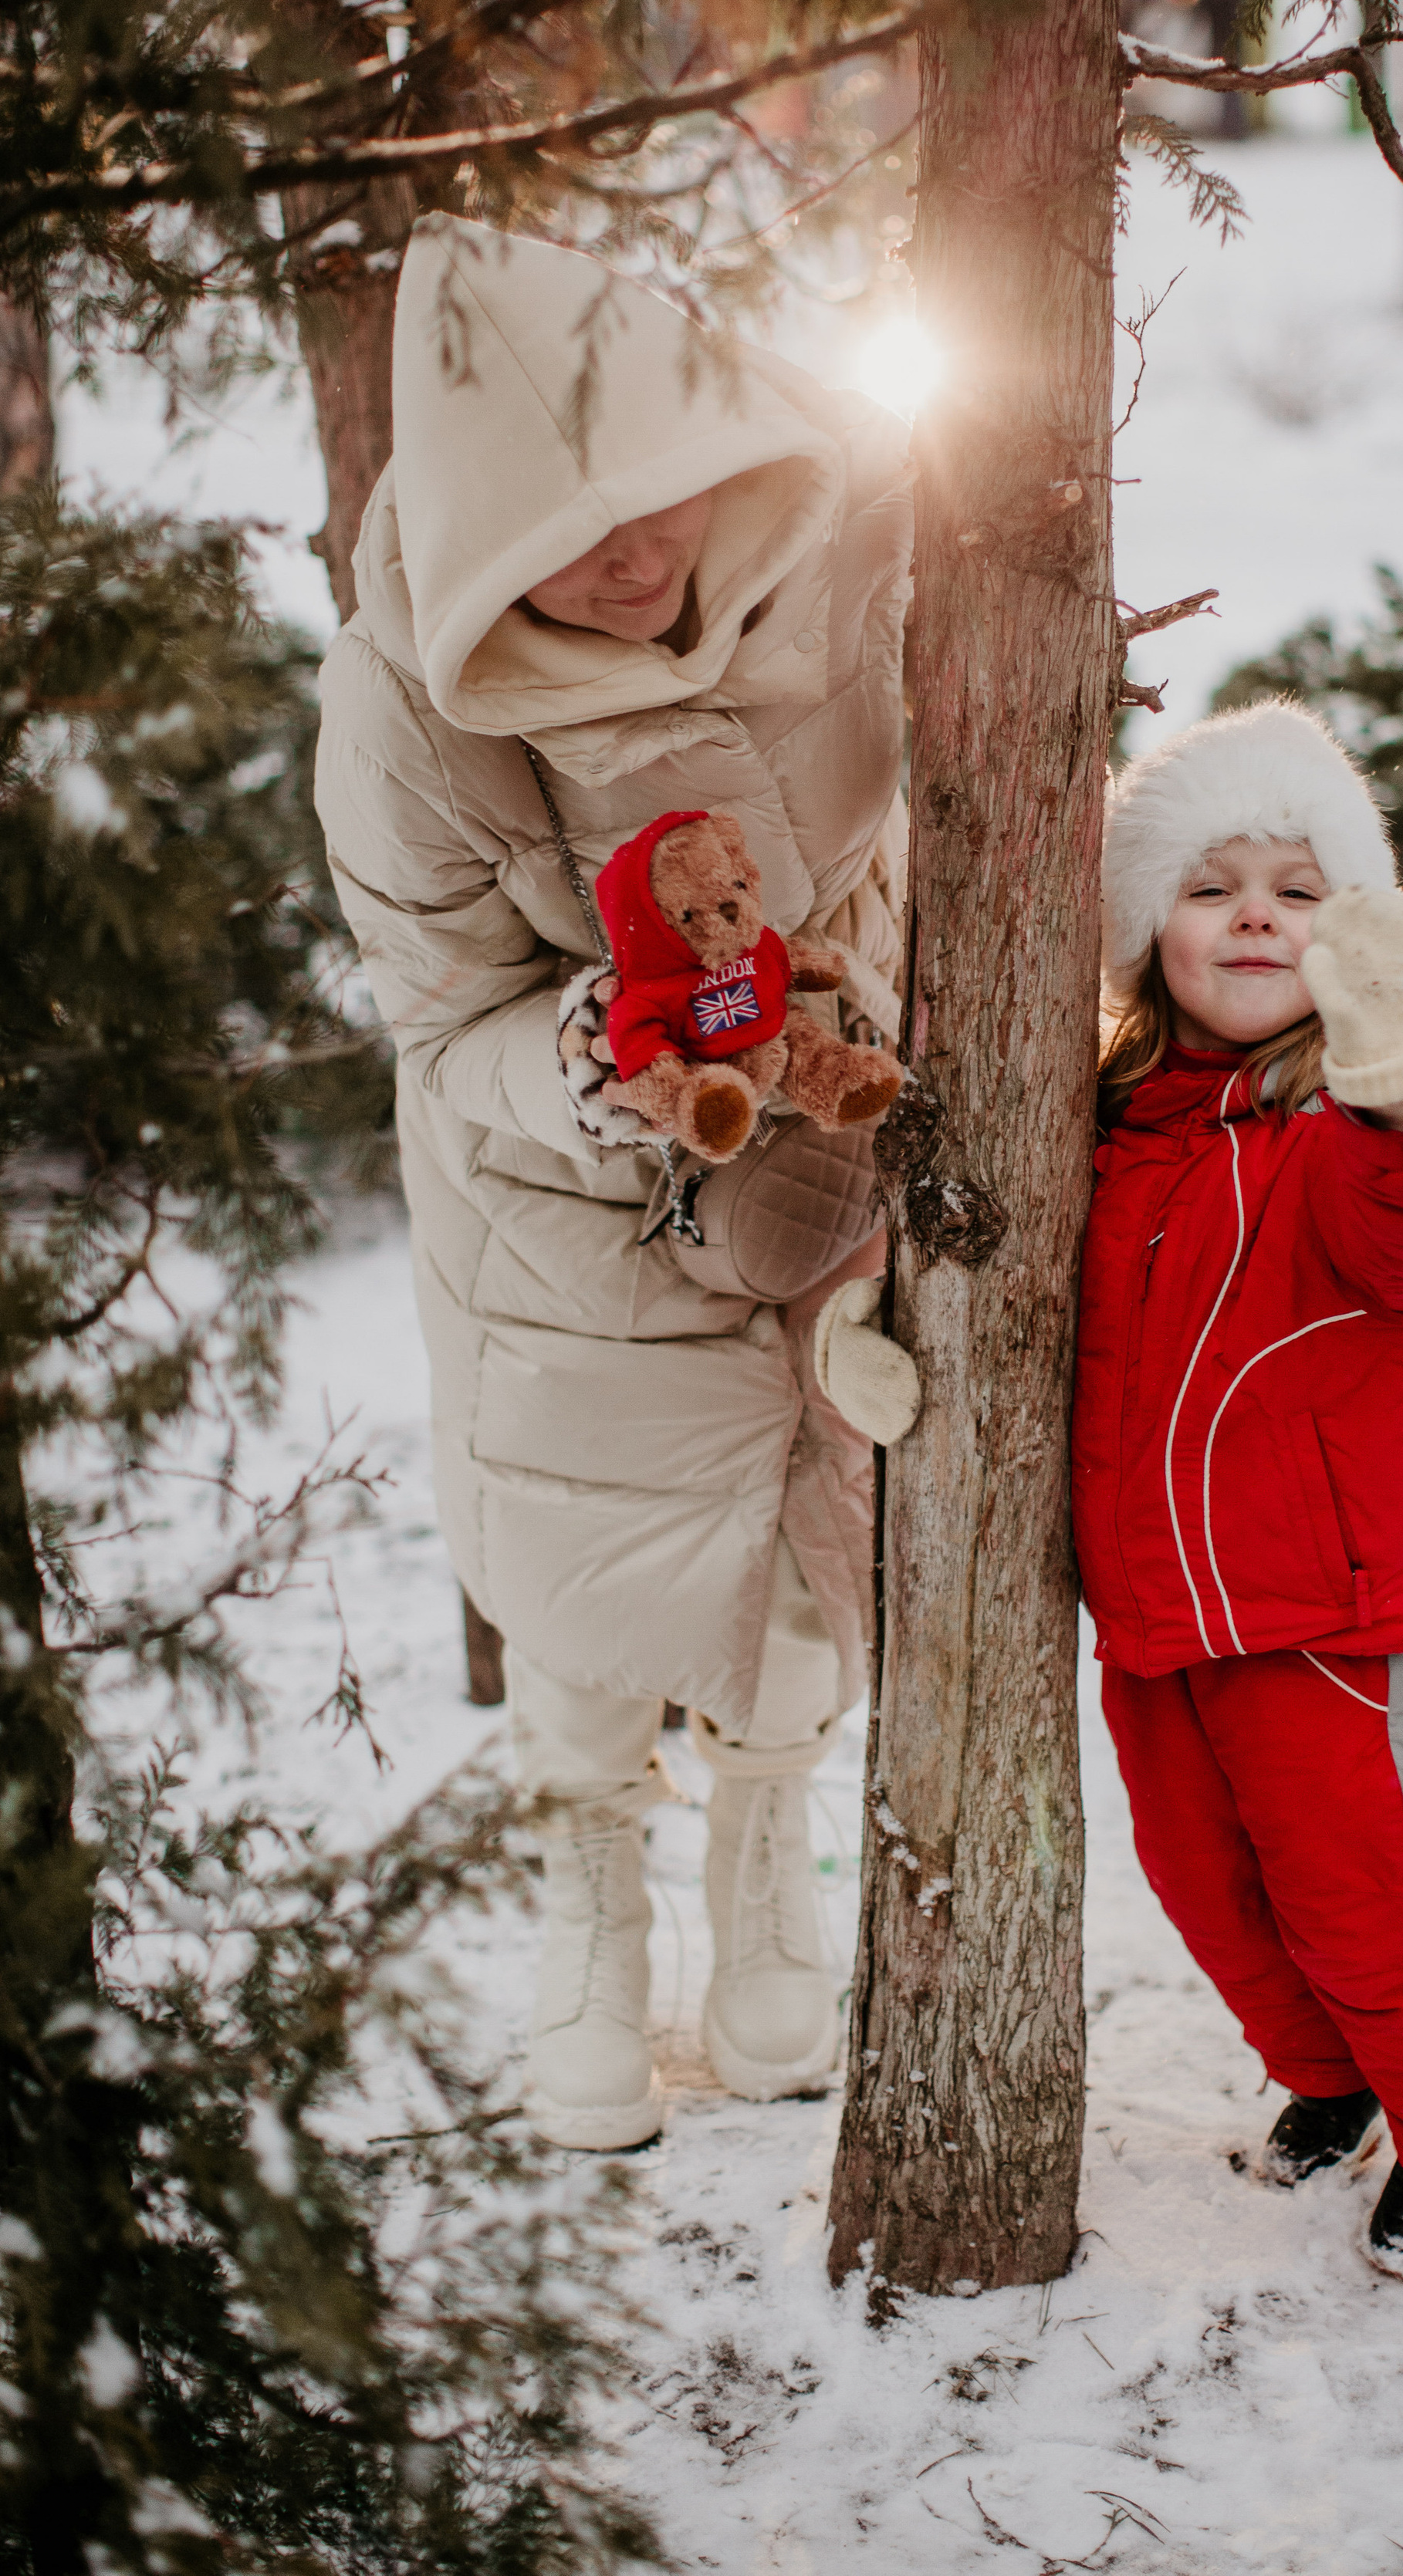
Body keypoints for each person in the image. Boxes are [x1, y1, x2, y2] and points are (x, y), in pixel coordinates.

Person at [315, 217, 915, 2151]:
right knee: (590, 1596)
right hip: (563, 1205)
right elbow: (439, 1017)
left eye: (658, 495)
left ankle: (763, 1870)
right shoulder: (403, 706)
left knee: (814, 1566)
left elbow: (955, 810)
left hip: (834, 1138)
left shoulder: (849, 546)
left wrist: (867, 1008)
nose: (636, 554)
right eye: (572, 532)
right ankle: (588, 1909)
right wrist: (595, 1066)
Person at [1071, 701, 1403, 2283]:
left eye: (1296, 883)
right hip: (1158, 1614)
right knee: (1208, 1892)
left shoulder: (1347, 1120)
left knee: (1374, 1912)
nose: (1256, 911)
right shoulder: (1112, 1124)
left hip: (1335, 1615)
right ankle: (1327, 2076)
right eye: (1211, 885)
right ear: (1148, 929)